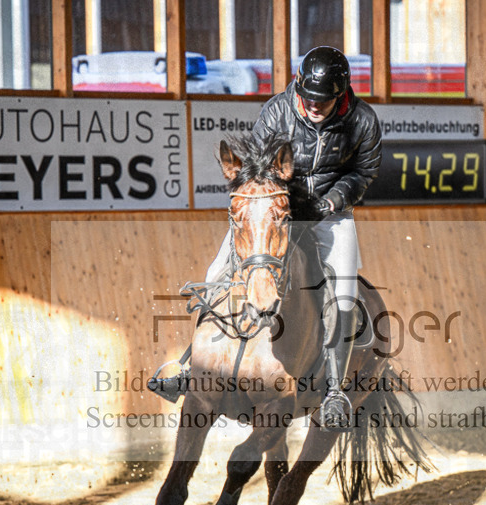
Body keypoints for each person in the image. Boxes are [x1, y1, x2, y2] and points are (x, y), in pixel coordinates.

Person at [151, 46, 382, 432]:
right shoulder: (277, 110)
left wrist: (332, 202)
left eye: (323, 101)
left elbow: (365, 172)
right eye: (308, 97)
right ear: (298, 86)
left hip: (330, 216)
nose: (313, 106)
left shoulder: (363, 120)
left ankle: (335, 392)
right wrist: (276, 202)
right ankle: (190, 364)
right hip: (276, 211)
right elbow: (259, 166)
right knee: (216, 270)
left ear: (341, 94)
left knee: (342, 292)